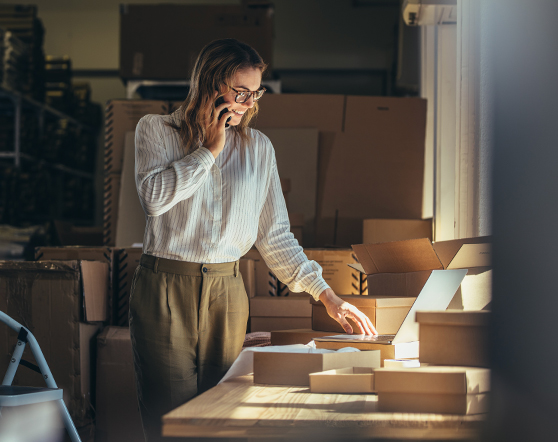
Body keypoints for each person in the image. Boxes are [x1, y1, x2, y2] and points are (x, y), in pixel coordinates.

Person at [129, 38, 377, 442]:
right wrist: (210, 150)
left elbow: (275, 235)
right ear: (211, 84)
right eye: (239, 91)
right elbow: (154, 200)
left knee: (223, 411)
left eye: (255, 92)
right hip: (165, 287)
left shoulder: (258, 148)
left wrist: (327, 295)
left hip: (227, 291)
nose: (247, 103)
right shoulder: (157, 130)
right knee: (167, 417)